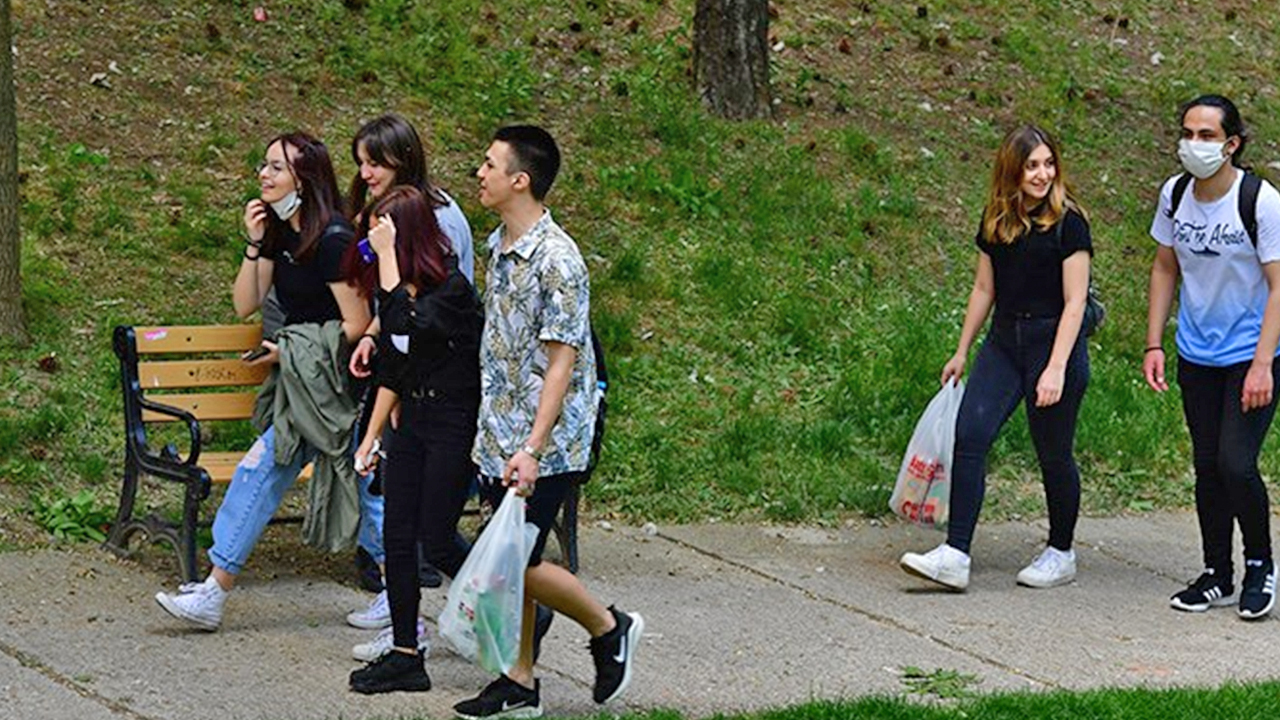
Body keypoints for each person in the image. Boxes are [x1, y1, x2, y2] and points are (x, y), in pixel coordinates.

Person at [452, 126, 642, 719]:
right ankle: (520, 681)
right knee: (510, 559)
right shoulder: (497, 246)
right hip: (499, 432)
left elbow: (562, 361)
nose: (479, 173)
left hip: (548, 441)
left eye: (489, 165)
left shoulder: (559, 260)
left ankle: (610, 627)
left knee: (517, 561)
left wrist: (533, 448)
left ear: (520, 180)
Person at [154, 132, 371, 629]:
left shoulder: (333, 238)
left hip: (340, 388)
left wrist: (292, 347)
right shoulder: (280, 232)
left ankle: (401, 600)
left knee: (364, 487)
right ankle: (214, 589)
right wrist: (255, 243)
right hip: (301, 386)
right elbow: (245, 303)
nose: (264, 175)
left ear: (305, 177)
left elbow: (357, 324)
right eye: (264, 164)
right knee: (261, 470)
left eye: (276, 167)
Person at [899, 125, 1092, 592]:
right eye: (1032, 165)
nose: (1042, 174)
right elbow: (984, 288)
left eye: (1049, 164)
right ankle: (955, 555)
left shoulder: (1069, 223)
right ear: (1012, 170)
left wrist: (1057, 368)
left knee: (1053, 453)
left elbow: (1075, 302)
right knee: (971, 434)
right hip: (1005, 342)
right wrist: (962, 350)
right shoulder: (996, 220)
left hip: (1053, 344)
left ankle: (1060, 552)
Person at [341, 186, 483, 693]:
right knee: (398, 537)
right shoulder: (401, 288)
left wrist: (384, 262)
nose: (374, 243)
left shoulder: (451, 290)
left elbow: (406, 325)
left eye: (383, 233)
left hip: (452, 421)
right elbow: (394, 366)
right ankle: (405, 653)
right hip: (412, 419)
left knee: (437, 537)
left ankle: (511, 608)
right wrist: (371, 436)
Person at [1144, 94, 1280, 620]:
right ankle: (1215, 573)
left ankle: (1260, 566)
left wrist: (1264, 362)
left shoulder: (1260, 201)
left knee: (1236, 462)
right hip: (1196, 351)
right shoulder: (1175, 194)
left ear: (1232, 144)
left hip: (1252, 353)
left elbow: (1277, 285)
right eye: (1187, 134)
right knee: (1206, 465)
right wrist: (1154, 342)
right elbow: (1163, 267)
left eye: (1205, 136)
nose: (1192, 145)